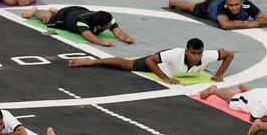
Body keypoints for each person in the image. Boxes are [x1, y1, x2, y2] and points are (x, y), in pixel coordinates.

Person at [68, 37, 235, 85]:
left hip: (176, 70)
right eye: (193, 53)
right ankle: (89, 61)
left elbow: (229, 55)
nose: (197, 57)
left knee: (218, 52)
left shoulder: (205, 55)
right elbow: (149, 61)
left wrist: (219, 73)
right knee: (125, 64)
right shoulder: (176, 54)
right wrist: (165, 78)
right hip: (162, 64)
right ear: (187, 51)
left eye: (199, 54)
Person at [21, 6, 134, 47]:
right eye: (108, 26)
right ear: (99, 27)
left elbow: (117, 31)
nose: (111, 25)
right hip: (64, 18)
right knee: (47, 20)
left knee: (68, 14)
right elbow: (89, 36)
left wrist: (126, 38)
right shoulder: (83, 23)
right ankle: (36, 11)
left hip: (78, 10)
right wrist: (102, 42)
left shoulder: (106, 18)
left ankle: (55, 10)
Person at [199, 83, 267, 122]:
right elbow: (253, 119)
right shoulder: (264, 105)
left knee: (255, 93)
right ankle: (214, 90)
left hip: (265, 92)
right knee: (232, 99)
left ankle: (246, 88)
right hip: (252, 100)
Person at [168, 0, 267, 29]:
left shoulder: (247, 5)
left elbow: (265, 20)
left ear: (241, 2)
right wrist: (249, 23)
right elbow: (225, 24)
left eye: (237, 4)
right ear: (227, 3)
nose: (234, 8)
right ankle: (174, 2)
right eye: (231, 5)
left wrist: (238, 23)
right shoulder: (223, 7)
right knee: (191, 7)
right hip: (209, 7)